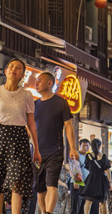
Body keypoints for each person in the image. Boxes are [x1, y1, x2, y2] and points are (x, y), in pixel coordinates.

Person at [0, 58, 42, 214]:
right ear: (5, 71)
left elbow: (31, 124)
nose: (14, 69)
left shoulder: (26, 95)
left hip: (19, 138)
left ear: (22, 75)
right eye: (11, 66)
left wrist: (37, 149)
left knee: (17, 178)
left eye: (18, 68)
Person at [34, 71, 79, 214]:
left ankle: (48, 212)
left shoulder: (61, 103)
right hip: (37, 153)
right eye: (36, 81)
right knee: (39, 188)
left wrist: (73, 148)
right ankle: (43, 211)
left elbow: (68, 127)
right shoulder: (35, 105)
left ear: (49, 83)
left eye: (39, 81)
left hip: (55, 151)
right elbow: (30, 129)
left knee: (51, 185)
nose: (36, 83)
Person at [80, 138, 112, 214]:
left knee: (88, 201)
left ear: (91, 146)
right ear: (100, 146)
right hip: (101, 180)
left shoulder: (88, 156)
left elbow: (88, 168)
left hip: (91, 179)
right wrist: (110, 182)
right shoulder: (103, 156)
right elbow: (107, 170)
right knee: (103, 202)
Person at [73, 139, 94, 214]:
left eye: (87, 146)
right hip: (79, 184)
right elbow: (75, 168)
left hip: (87, 184)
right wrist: (77, 182)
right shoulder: (77, 155)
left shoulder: (89, 156)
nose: (86, 147)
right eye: (84, 145)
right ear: (80, 146)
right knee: (76, 205)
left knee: (84, 206)